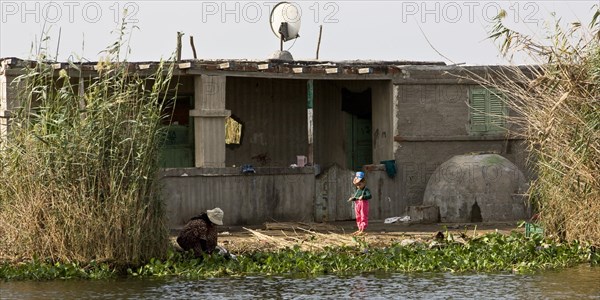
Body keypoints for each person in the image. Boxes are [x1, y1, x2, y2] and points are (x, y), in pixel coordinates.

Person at [348, 171, 371, 235]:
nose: (358, 186)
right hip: (357, 204)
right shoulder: (358, 190)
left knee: (363, 215)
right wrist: (353, 198)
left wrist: (363, 197)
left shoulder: (366, 190)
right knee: (358, 216)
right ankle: (359, 229)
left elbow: (369, 196)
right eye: (357, 185)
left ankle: (363, 229)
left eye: (360, 184)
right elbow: (356, 197)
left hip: (363, 204)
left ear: (364, 183)